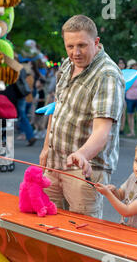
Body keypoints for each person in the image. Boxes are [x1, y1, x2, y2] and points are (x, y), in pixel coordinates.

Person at [39, 14, 125, 219]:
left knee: (80, 235)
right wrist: (45, 148)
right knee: (46, 226)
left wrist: (83, 155)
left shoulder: (107, 75)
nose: (75, 52)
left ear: (96, 42)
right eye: (70, 46)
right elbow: (56, 108)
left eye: (82, 45)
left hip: (84, 170)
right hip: (54, 163)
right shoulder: (67, 65)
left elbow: (102, 131)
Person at [1, 66, 36, 146]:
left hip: (12, 96)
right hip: (21, 95)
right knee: (22, 116)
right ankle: (30, 136)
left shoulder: (6, 69)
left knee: (8, 118)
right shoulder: (20, 68)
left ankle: (6, 140)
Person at [117, 58, 127, 135]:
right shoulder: (114, 72)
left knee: (123, 113)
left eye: (122, 63)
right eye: (119, 63)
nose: (121, 65)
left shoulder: (127, 74)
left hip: (123, 95)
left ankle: (122, 129)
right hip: (115, 95)